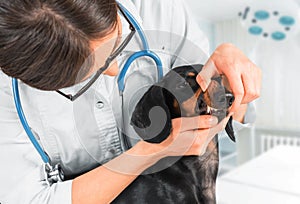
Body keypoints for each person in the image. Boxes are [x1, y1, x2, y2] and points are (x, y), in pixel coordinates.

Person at [0, 0, 261, 203]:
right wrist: (152, 150)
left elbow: (221, 124)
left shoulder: (159, 9)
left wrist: (231, 84)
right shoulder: (9, 91)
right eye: (86, 75)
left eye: (118, 42)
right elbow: (32, 199)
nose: (114, 70)